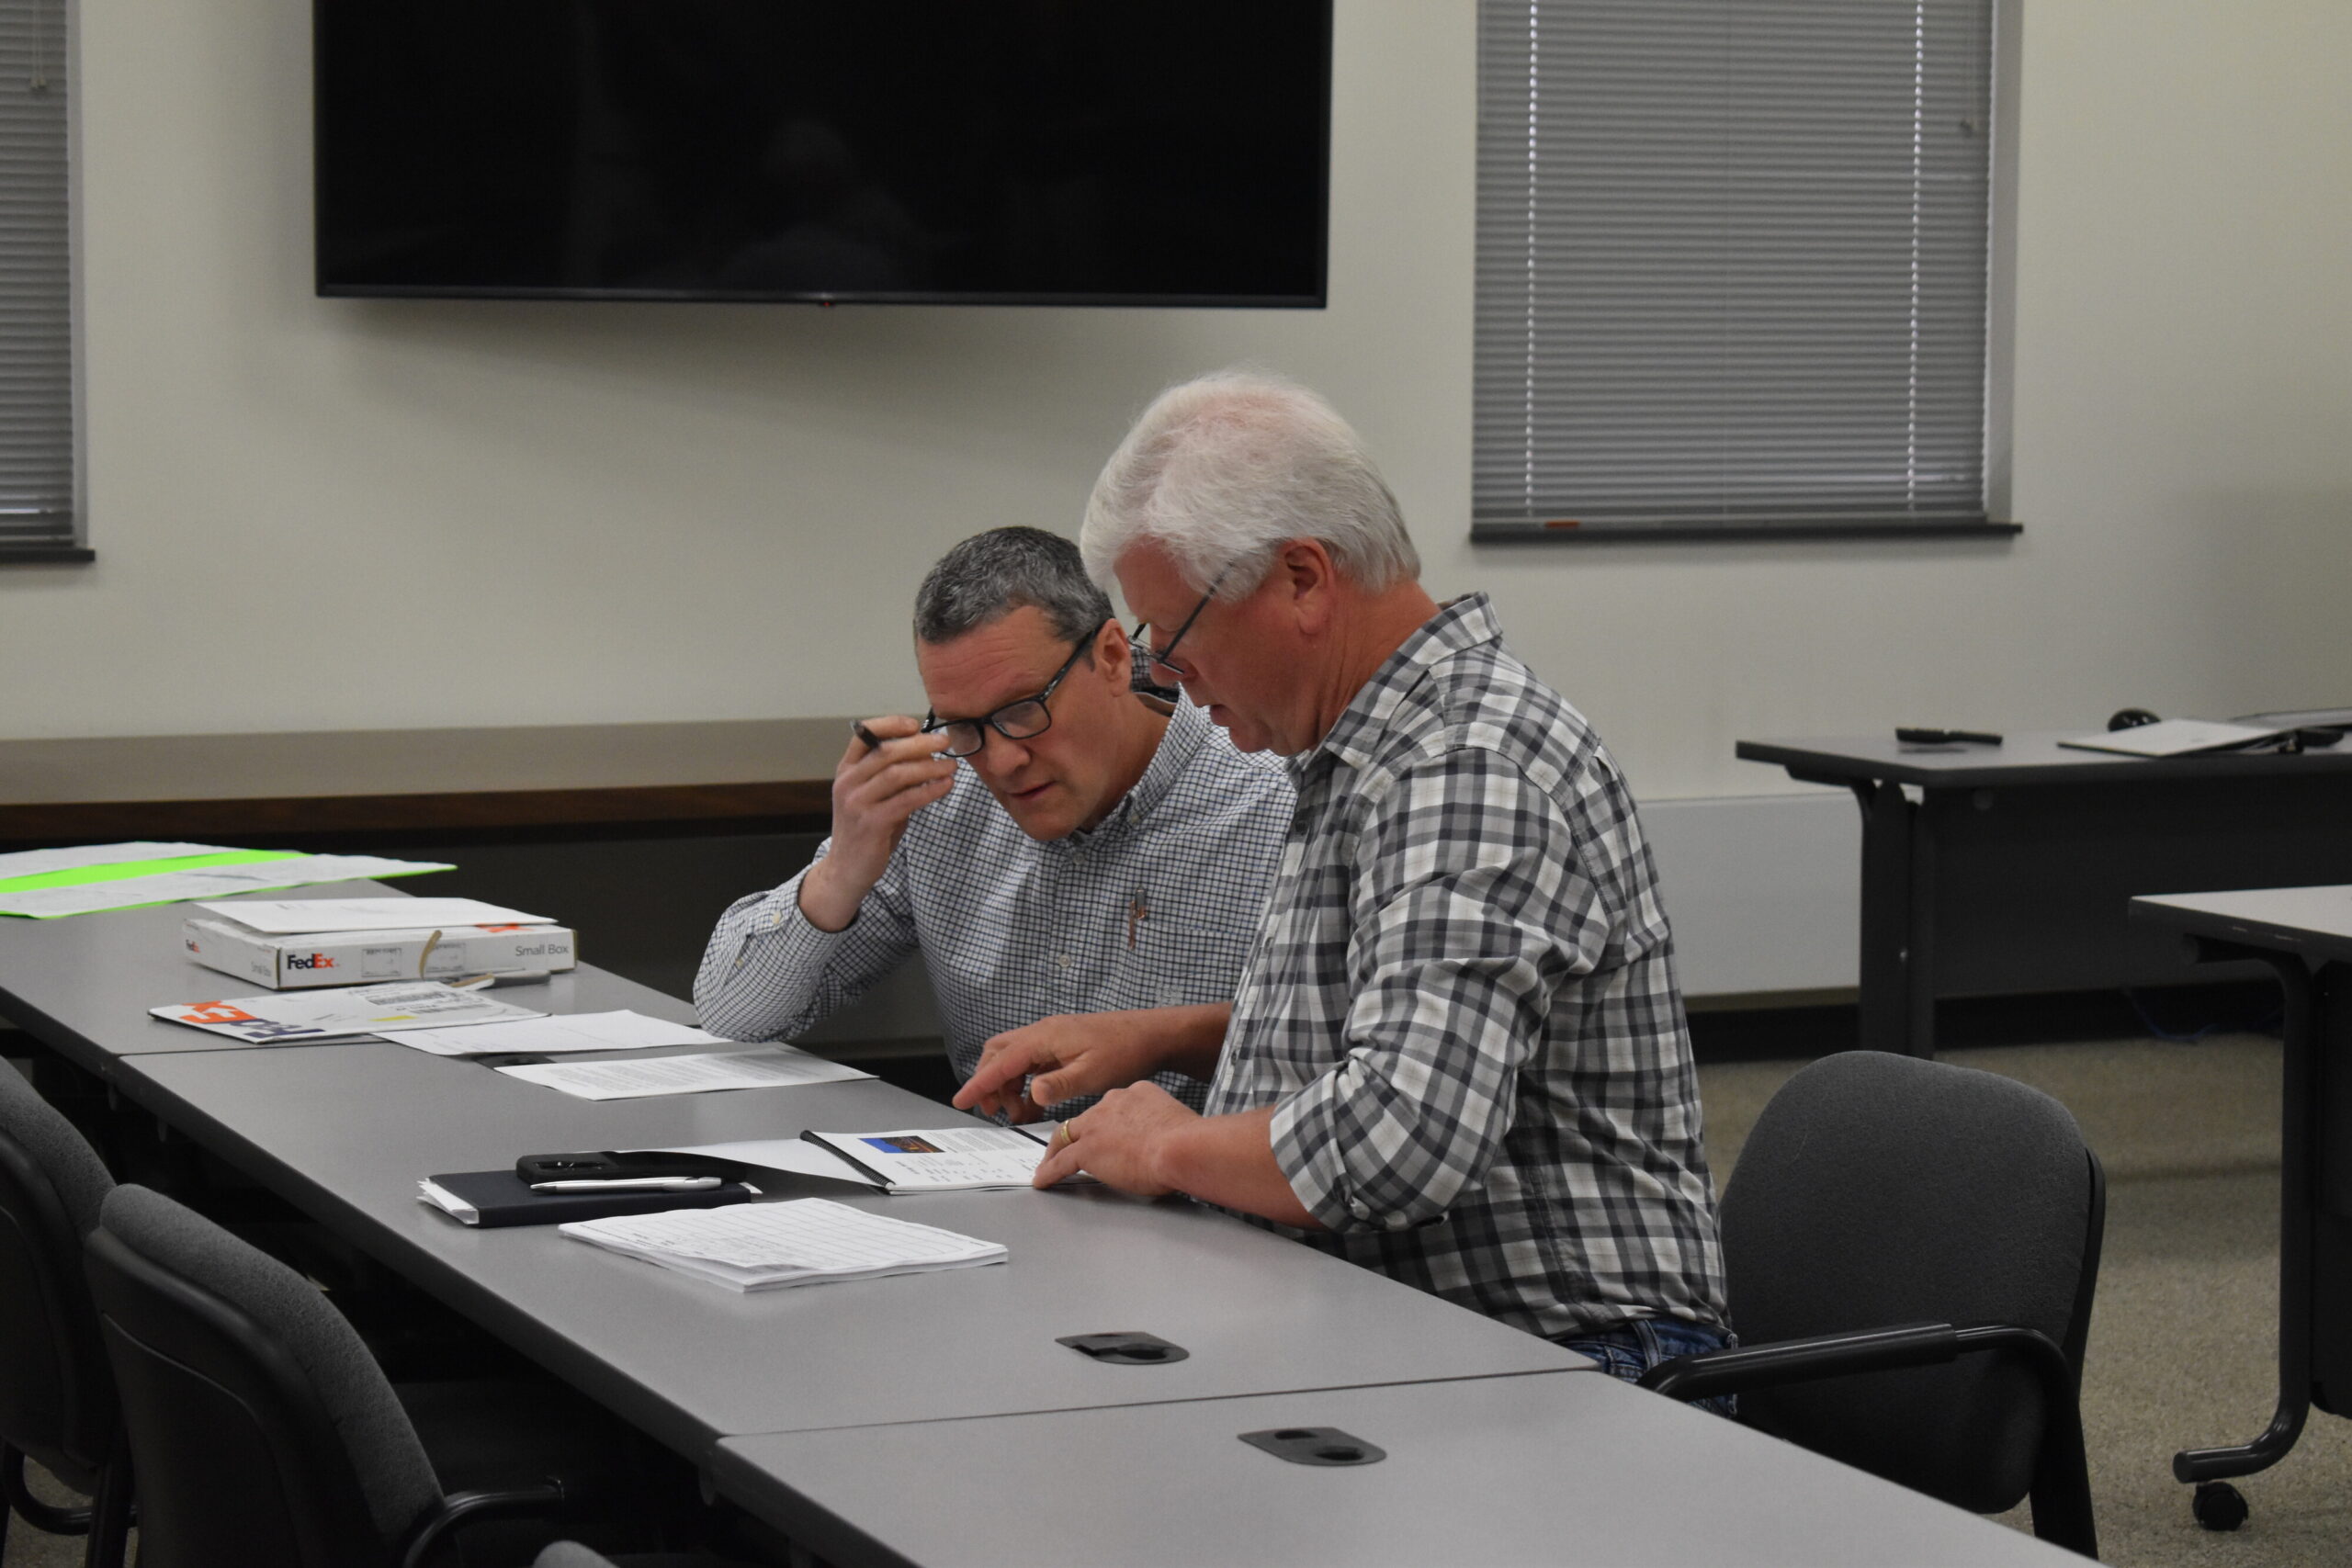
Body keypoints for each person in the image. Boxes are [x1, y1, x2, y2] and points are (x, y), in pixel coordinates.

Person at [955, 373, 1732, 1382]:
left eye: (1175, 643)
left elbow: (1401, 1136)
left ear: (1303, 581)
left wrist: (1168, 1147)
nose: (1166, 680)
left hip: (1570, 1358)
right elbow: (1413, 1025)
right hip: (1406, 1320)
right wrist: (1166, 1034)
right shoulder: (1371, 748)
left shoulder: (1466, 765)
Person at [695, 526, 1292, 1117]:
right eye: (964, 726)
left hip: (1199, 1195)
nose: (1001, 761)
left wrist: (1169, 1038)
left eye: (1023, 709)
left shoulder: (1277, 802)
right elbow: (730, 1016)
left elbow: (1350, 1050)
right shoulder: (940, 796)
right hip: (989, 1185)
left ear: (1111, 657)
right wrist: (839, 872)